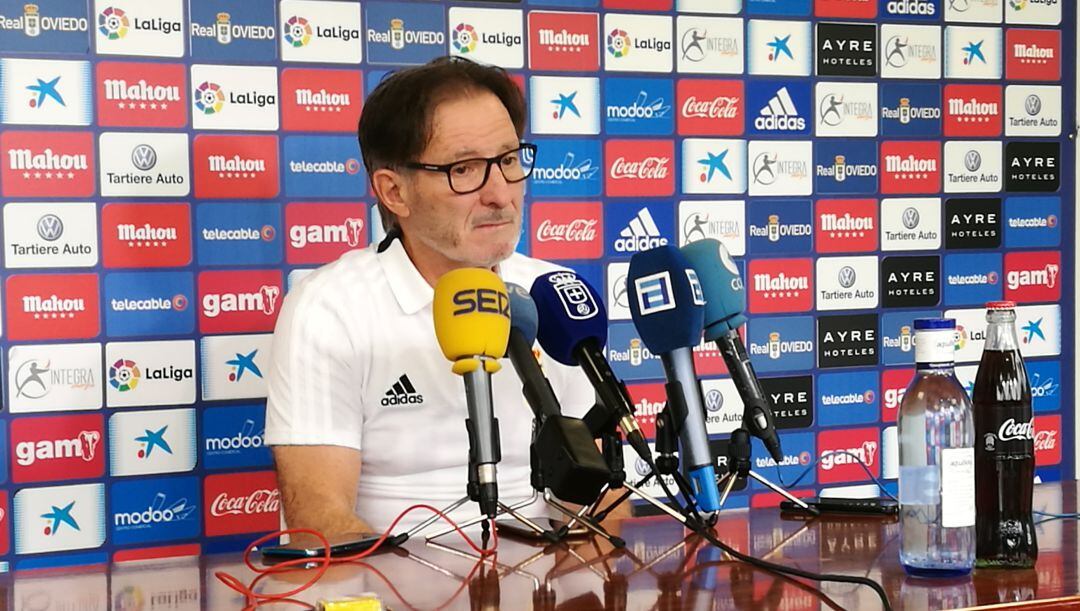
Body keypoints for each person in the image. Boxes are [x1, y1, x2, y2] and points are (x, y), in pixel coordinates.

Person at [265, 56, 623, 537]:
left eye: (509, 160)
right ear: (394, 192)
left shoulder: (554, 295)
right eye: (465, 169)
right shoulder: (330, 308)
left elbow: (603, 501)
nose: (500, 193)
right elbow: (321, 523)